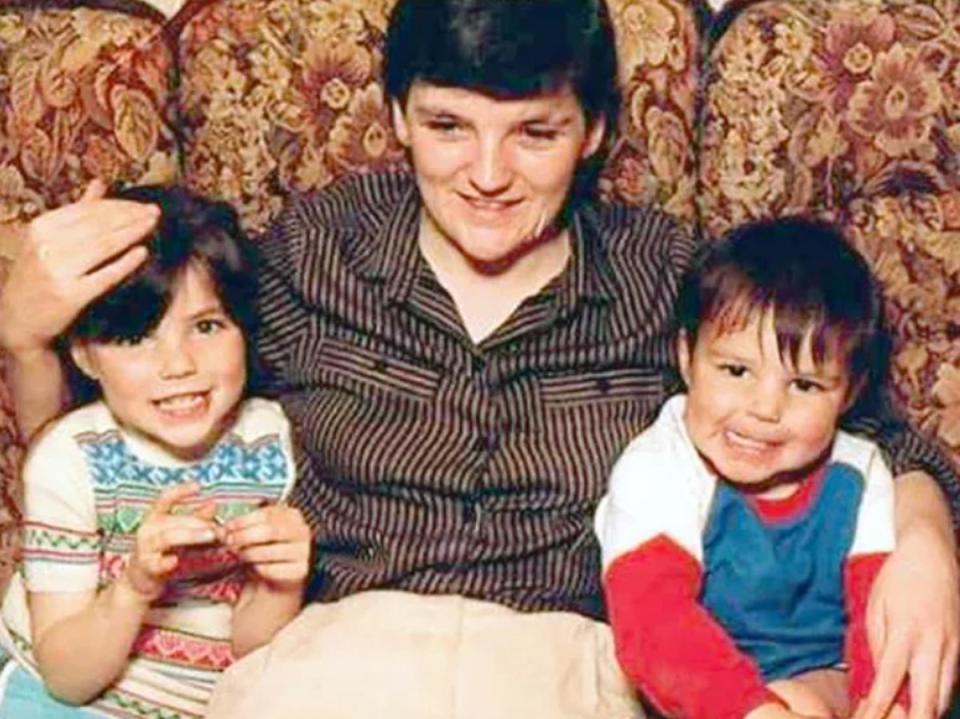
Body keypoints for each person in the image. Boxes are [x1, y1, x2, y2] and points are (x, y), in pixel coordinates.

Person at [0, 1, 956, 718]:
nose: (488, 177)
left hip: (570, 662)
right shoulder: (313, 251)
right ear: (397, 116)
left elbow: (857, 422)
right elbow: (110, 430)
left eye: (534, 132)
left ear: (594, 132)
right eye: (450, 126)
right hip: (338, 648)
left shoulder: (666, 272)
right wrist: (26, 333)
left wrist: (922, 537)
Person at [0, 186, 311, 719]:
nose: (178, 364)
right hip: (60, 689)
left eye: (207, 327)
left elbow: (250, 648)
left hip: (207, 702)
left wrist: (282, 583)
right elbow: (65, 677)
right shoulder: (72, 459)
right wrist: (135, 587)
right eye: (138, 337)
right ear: (86, 357)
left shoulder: (273, 441)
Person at [596, 218, 913, 719]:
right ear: (686, 356)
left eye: (805, 385)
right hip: (700, 695)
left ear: (850, 392)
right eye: (735, 371)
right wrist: (754, 711)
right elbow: (655, 622)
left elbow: (885, 620)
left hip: (838, 686)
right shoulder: (657, 467)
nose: (765, 409)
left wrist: (890, 706)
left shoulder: (859, 471)